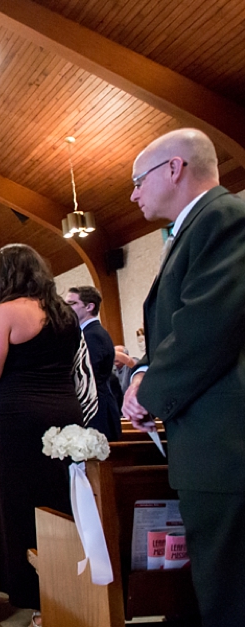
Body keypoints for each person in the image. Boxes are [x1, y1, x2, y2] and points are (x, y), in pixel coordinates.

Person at [122, 128, 245, 625]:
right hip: (209, 439)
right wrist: (146, 373)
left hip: (227, 443)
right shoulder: (192, 229)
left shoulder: (223, 218)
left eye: (137, 180)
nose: (133, 194)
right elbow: (179, 324)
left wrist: (147, 394)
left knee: (231, 590)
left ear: (174, 169)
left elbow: (207, 326)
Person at [0, 244, 84, 624]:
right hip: (65, 410)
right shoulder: (65, 313)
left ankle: (30, 588)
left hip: (21, 415)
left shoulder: (8, 311)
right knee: (62, 498)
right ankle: (69, 580)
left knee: (22, 499)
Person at [65, 286, 121, 441]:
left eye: (71, 304)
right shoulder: (86, 333)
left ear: (89, 307)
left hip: (97, 411)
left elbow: (88, 375)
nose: (66, 309)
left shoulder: (93, 335)